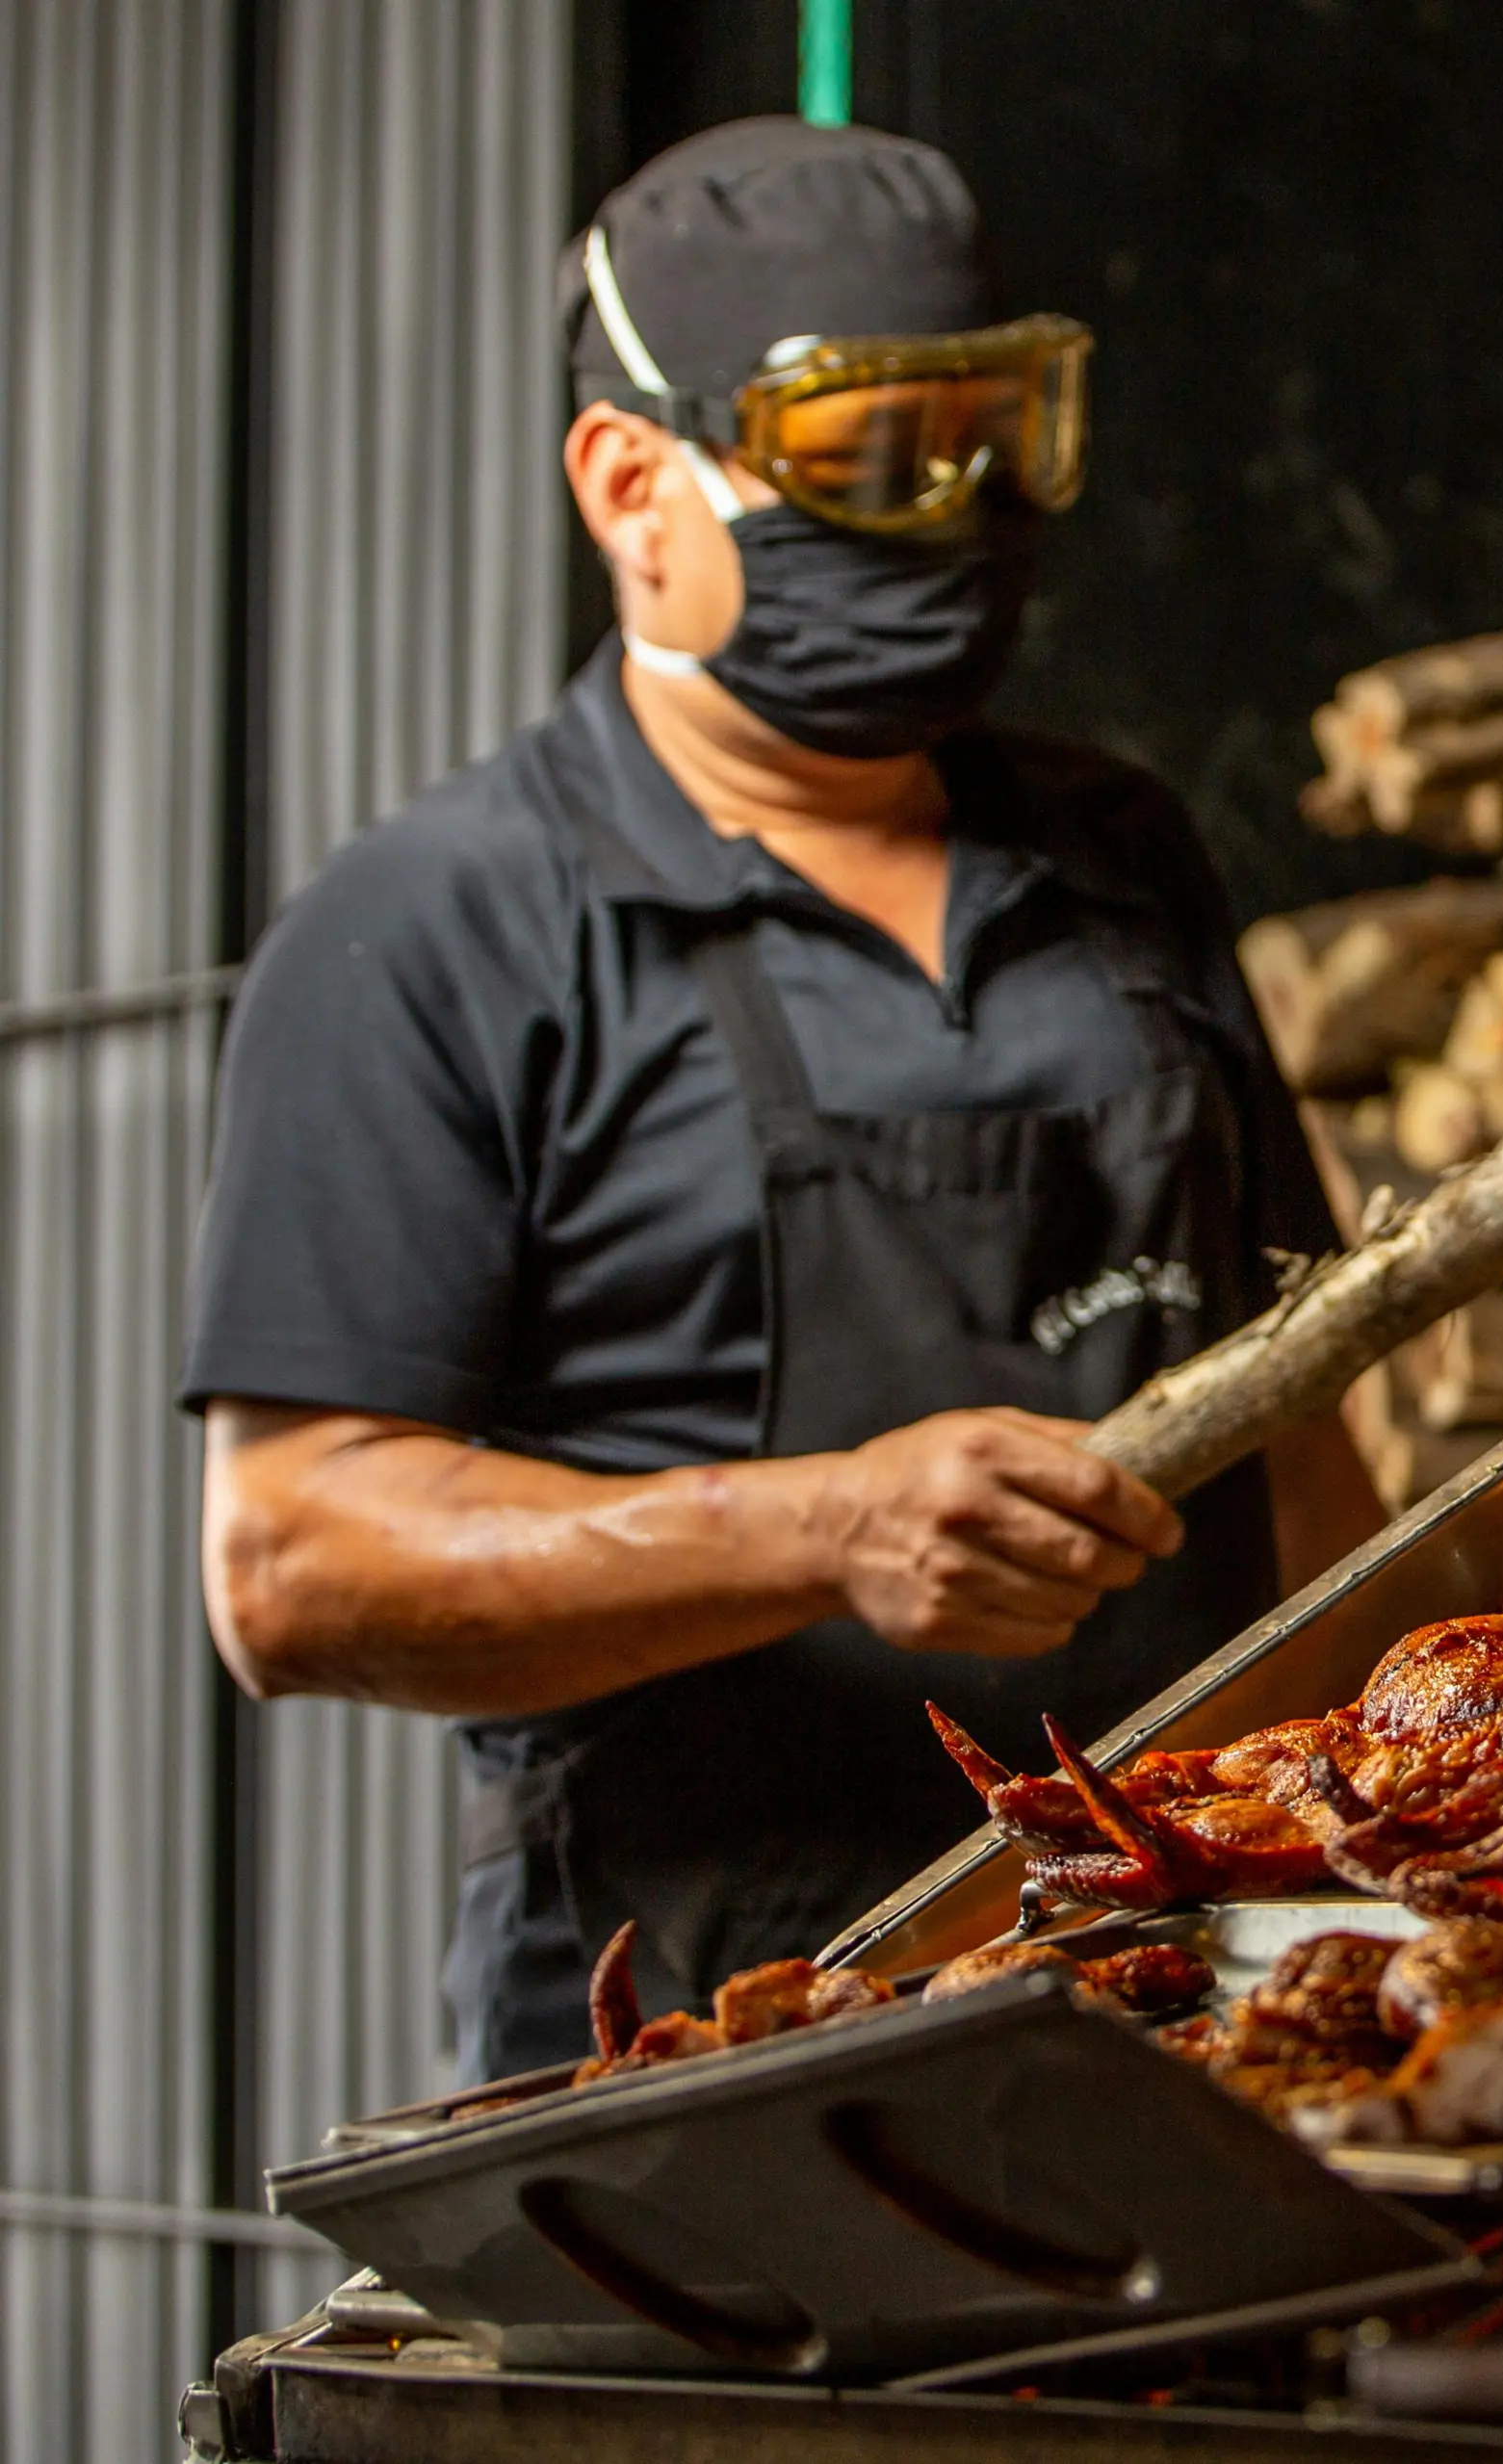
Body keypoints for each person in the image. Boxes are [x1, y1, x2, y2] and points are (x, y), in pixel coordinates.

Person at [182, 118, 1383, 2084]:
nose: (957, 504)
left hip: (1199, 1982)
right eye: (868, 454)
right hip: (712, 2039)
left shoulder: (1122, 853)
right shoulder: (429, 930)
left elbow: (1307, 1414)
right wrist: (824, 1530)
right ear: (631, 484)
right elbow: (295, 1558)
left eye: (994, 432)